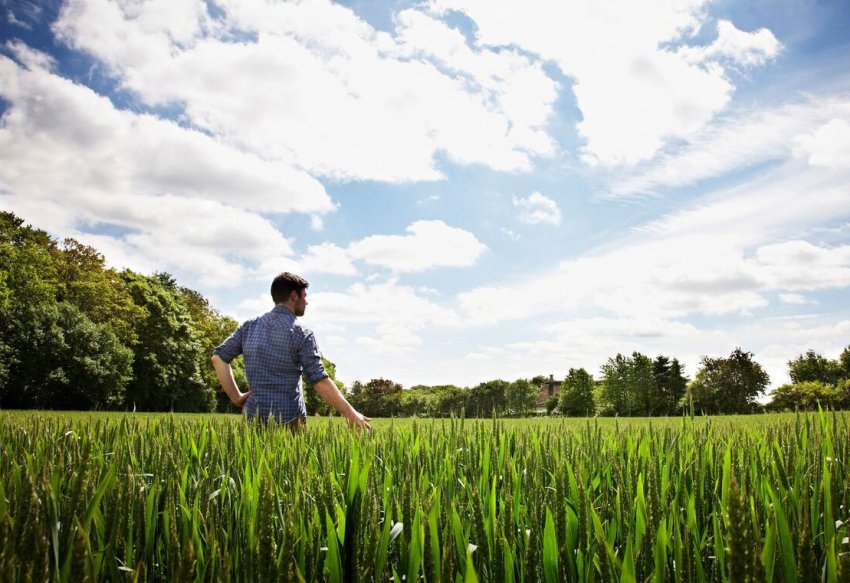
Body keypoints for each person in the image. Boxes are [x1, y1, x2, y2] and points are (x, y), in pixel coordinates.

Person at [211, 272, 371, 432]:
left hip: (254, 417)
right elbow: (319, 380)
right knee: (290, 458)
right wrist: (350, 413)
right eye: (304, 296)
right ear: (294, 296)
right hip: (290, 420)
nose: (307, 302)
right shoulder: (301, 333)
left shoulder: (249, 327)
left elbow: (218, 358)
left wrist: (237, 397)